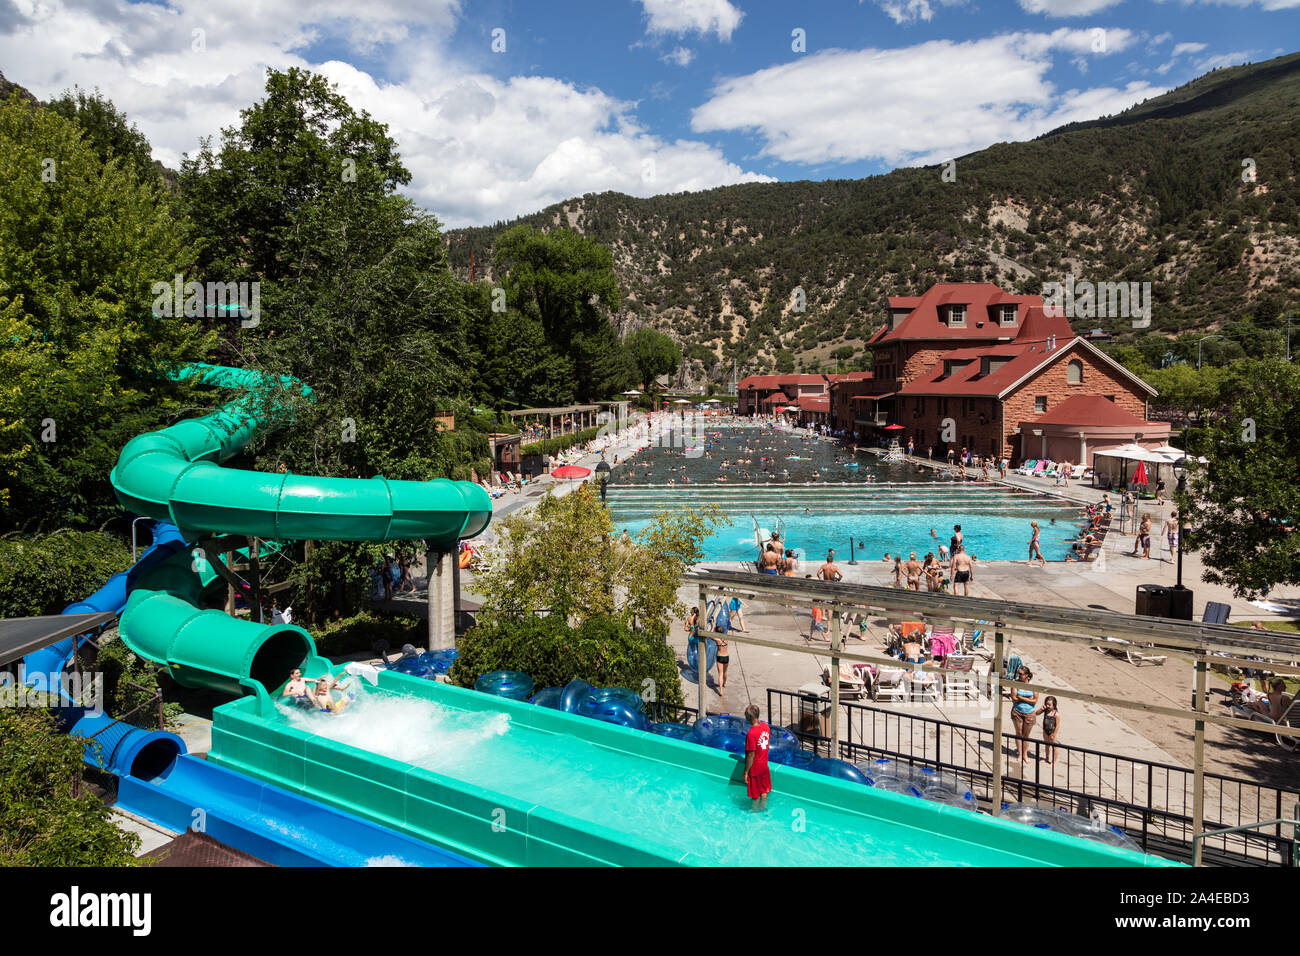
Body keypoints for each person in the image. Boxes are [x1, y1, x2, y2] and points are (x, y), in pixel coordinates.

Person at [743, 704, 772, 811]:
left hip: (755, 768)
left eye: (745, 714)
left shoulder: (751, 733)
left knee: (755, 796)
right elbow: (767, 745)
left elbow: (751, 755)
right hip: (764, 765)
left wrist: (746, 772)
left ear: (750, 717)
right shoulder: (766, 727)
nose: (744, 716)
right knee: (764, 791)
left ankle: (755, 813)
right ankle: (763, 808)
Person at [1010, 666, 1038, 762]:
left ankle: (1025, 755)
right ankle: (1020, 754)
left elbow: (1035, 701)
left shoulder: (1032, 685)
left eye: (1021, 674)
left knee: (1026, 735)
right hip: (1017, 712)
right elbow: (1014, 698)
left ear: (1027, 675)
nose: (1019, 675)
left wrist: (1021, 698)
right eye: (1018, 673)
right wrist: (1028, 699)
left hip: (1029, 713)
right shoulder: (1015, 683)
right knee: (1019, 734)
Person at [1038, 696, 1061, 765]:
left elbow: (1057, 725)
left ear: (1054, 705)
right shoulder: (1045, 711)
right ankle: (1047, 758)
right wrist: (1041, 709)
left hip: (1052, 733)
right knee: (1047, 745)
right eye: (1046, 704)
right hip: (1045, 731)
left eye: (1049, 705)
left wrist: (1054, 734)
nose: (1047, 706)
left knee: (1054, 747)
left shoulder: (1056, 714)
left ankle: (1053, 762)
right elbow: (1036, 713)